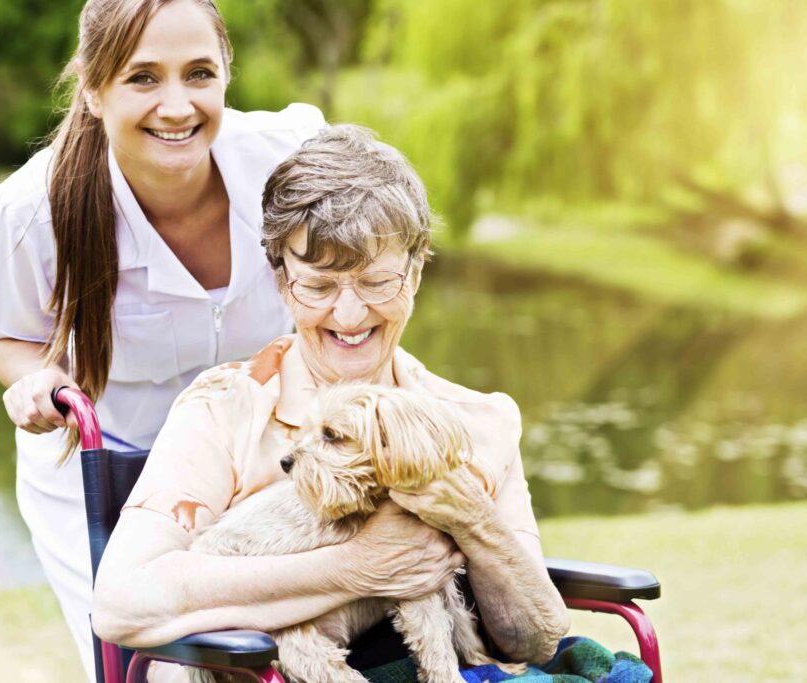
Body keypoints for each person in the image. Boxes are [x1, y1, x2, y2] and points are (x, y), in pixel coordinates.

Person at [91, 124, 570, 680]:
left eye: (376, 282)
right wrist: (356, 567)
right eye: (318, 287)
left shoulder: (478, 421)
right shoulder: (224, 408)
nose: (348, 316)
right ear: (280, 281)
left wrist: (474, 522)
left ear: (414, 274)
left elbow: (535, 640)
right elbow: (121, 603)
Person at [0, 1, 359, 679]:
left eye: (198, 74)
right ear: (94, 90)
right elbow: (7, 334)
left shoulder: (286, 160)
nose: (177, 105)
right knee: (148, 659)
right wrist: (35, 377)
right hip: (108, 473)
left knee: (277, 649)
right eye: (143, 78)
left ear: (225, 78)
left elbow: (366, 252)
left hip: (258, 458)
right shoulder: (28, 212)